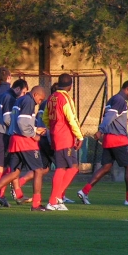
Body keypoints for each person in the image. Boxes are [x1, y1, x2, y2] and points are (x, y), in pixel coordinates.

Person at [0, 86, 48, 211]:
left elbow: (16, 121)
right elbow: (22, 122)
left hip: (14, 139)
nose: (40, 102)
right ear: (36, 94)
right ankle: (36, 204)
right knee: (38, 170)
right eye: (40, 99)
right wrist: (34, 134)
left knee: (14, 172)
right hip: (25, 141)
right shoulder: (29, 101)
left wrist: (34, 129)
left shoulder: (20, 100)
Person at [77, 80, 128, 206]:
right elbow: (109, 118)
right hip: (119, 139)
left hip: (108, 140)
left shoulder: (112, 100)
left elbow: (111, 116)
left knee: (106, 167)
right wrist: (100, 130)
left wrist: (124, 121)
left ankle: (84, 191)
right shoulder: (120, 100)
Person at [0, 79, 29, 207]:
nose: (24, 95)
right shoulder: (10, 98)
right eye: (24, 92)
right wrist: (19, 128)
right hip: (3, 135)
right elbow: (7, 119)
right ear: (18, 89)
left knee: (4, 167)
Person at [44, 73, 83, 211]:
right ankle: (53, 200)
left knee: (73, 167)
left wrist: (53, 129)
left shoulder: (51, 97)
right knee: (63, 168)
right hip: (65, 137)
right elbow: (72, 118)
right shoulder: (65, 98)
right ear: (70, 86)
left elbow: (45, 118)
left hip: (57, 136)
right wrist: (80, 136)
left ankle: (57, 198)